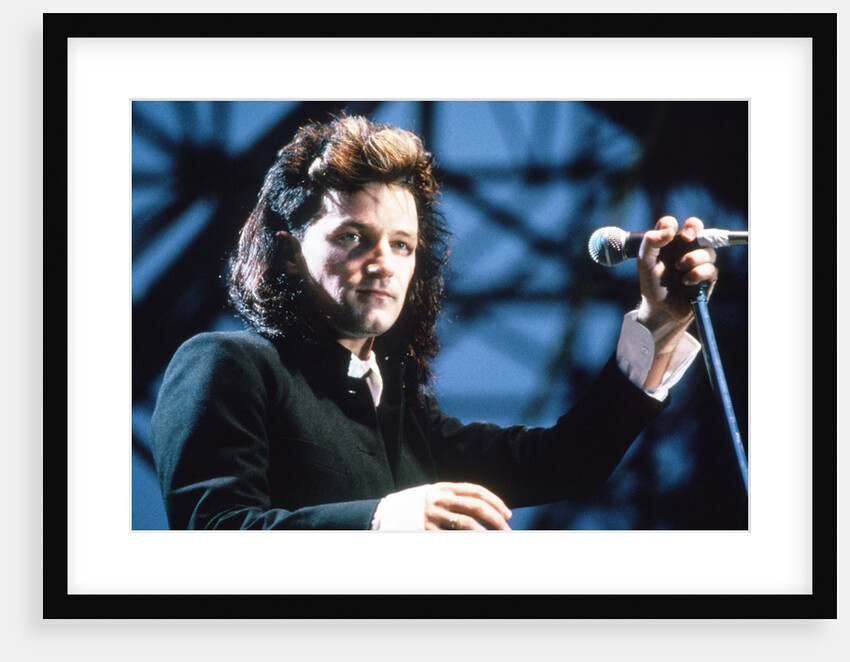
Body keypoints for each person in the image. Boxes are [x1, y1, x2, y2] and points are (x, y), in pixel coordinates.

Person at [150, 114, 718, 531]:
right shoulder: (227, 364)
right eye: (353, 237)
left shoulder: (403, 413)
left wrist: (659, 320)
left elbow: (565, 463)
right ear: (288, 253)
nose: (383, 263)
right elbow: (214, 535)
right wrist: (386, 520)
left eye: (402, 245)